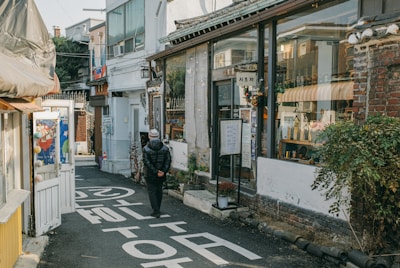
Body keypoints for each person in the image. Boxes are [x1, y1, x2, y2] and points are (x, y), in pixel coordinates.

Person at [142, 129, 171, 218]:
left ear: (149, 136)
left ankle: (156, 210)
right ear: (158, 136)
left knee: (152, 191)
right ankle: (158, 207)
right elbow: (168, 161)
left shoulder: (146, 149)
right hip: (161, 174)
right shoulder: (165, 148)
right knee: (159, 191)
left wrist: (155, 171)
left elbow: (147, 162)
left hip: (150, 174)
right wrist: (163, 171)